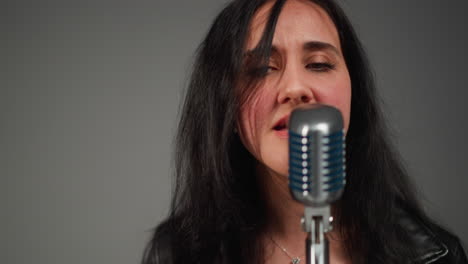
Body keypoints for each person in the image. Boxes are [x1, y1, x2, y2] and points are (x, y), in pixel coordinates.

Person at [142, 0, 468, 263]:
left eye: (319, 64)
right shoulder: (175, 255)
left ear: (355, 92)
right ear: (224, 102)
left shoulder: (433, 255)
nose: (295, 88)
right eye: (262, 69)